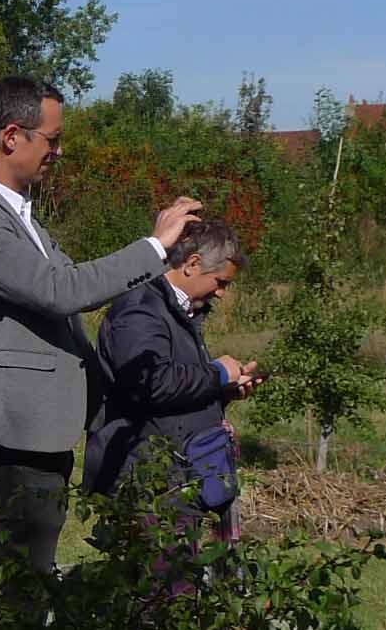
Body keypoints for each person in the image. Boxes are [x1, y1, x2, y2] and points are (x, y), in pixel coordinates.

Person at [0, 75, 203, 578]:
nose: (59, 152)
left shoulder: (17, 215)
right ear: (12, 136)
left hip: (41, 426)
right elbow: (61, 291)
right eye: (52, 139)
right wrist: (154, 247)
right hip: (18, 427)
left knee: (33, 571)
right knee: (24, 580)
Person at [83, 218, 260, 533]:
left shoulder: (179, 311)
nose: (220, 294)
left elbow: (177, 385)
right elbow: (152, 384)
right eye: (220, 282)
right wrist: (218, 372)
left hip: (173, 477)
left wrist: (223, 390)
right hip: (146, 483)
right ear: (192, 264)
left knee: (181, 578)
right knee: (160, 579)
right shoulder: (140, 309)